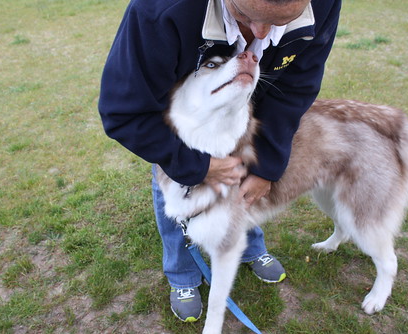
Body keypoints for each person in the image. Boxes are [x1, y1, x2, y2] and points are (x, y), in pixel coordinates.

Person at [99, 0, 341, 323]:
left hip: (246, 98)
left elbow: (297, 86)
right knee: (177, 175)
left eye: (280, 21)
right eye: (246, 15)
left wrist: (266, 163)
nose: (261, 35)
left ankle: (245, 241)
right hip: (186, 104)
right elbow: (124, 113)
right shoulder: (157, 11)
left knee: (241, 182)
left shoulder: (324, 5)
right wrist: (195, 166)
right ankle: (182, 270)